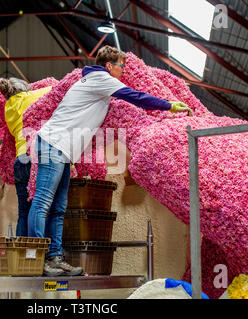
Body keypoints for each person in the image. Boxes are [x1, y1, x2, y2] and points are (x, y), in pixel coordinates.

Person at [28, 45, 193, 276]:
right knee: (43, 202)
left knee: (59, 208)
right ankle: (38, 259)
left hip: (62, 150)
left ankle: (55, 258)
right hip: (52, 144)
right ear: (109, 66)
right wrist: (169, 105)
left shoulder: (92, 82)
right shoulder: (100, 79)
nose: (123, 71)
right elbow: (134, 97)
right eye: (121, 66)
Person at [0, 77, 52, 238]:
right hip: (32, 159)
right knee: (40, 207)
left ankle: (22, 253)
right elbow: (54, 89)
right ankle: (38, 252)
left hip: (19, 160)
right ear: (23, 90)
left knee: (23, 211)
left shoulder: (8, 107)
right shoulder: (27, 98)